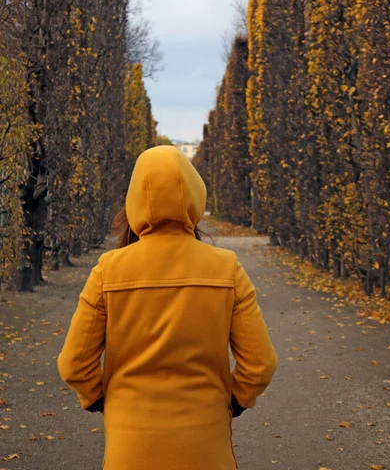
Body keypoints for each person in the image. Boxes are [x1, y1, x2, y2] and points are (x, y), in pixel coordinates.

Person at [57, 145, 278, 470]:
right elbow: (261, 364)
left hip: (129, 446)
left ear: (134, 199)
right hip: (206, 446)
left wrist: (101, 399)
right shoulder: (226, 268)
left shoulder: (108, 270)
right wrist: (234, 401)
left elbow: (74, 364)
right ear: (194, 195)